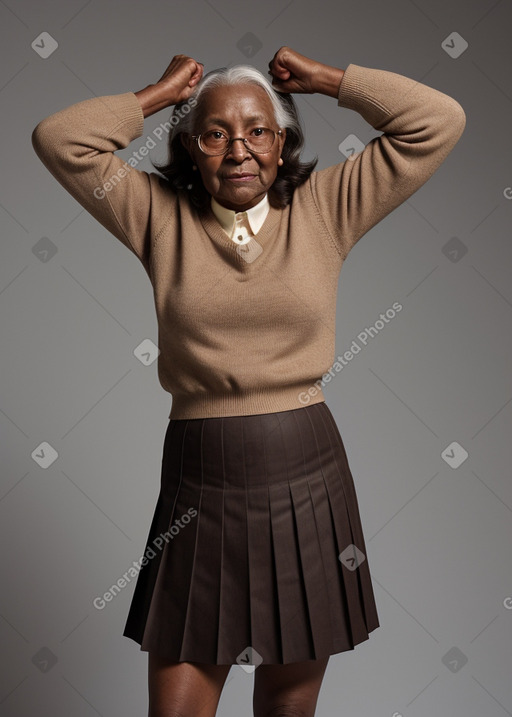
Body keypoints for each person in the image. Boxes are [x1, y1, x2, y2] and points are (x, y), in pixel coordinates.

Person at [31, 46, 466, 717]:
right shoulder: (156, 215)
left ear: (283, 140)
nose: (239, 149)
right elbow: (59, 138)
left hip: (307, 476)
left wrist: (329, 81)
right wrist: (156, 93)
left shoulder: (327, 208)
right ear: (190, 147)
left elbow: (438, 120)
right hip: (196, 482)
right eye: (215, 133)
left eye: (259, 131)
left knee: (286, 710)